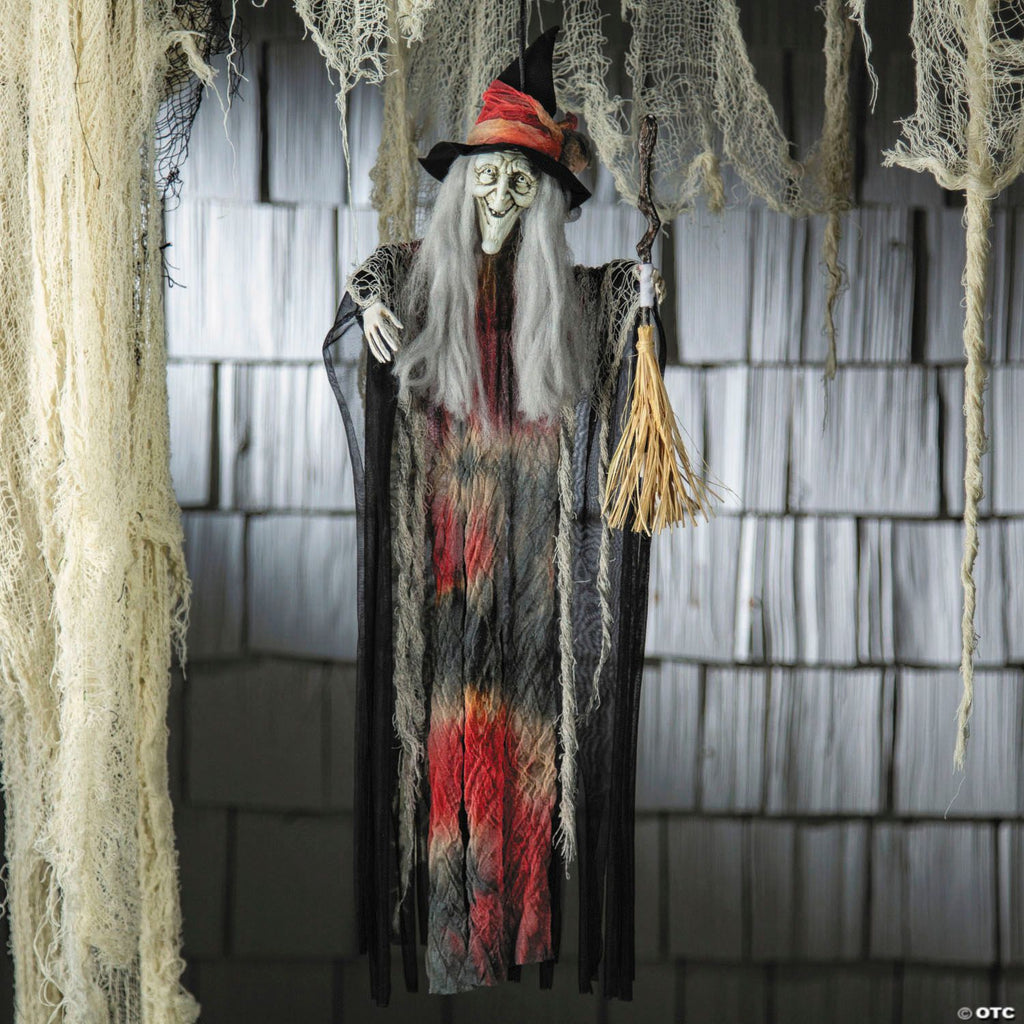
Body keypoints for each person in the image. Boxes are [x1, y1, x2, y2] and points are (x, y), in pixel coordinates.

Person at [324, 27, 667, 1003]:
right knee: (454, 714)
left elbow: (611, 298)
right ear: (462, 179)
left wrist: (639, 289)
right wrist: (366, 306)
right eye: (489, 176)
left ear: (543, 199)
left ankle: (517, 915)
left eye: (524, 182)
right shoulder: (422, 271)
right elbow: (369, 282)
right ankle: (456, 924)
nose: (504, 195)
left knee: (526, 719)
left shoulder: (553, 288)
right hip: (449, 529)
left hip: (530, 525)